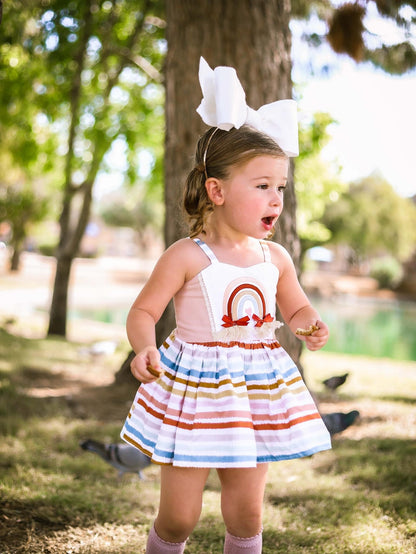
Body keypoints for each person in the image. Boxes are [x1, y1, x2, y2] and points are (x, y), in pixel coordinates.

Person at [120, 58, 331, 554]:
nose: (276, 198)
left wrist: (309, 324)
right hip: (194, 393)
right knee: (179, 516)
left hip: (253, 393)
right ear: (216, 190)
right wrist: (142, 348)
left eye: (280, 187)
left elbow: (296, 307)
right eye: (262, 186)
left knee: (246, 511)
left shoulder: (275, 257)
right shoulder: (188, 255)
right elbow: (143, 312)